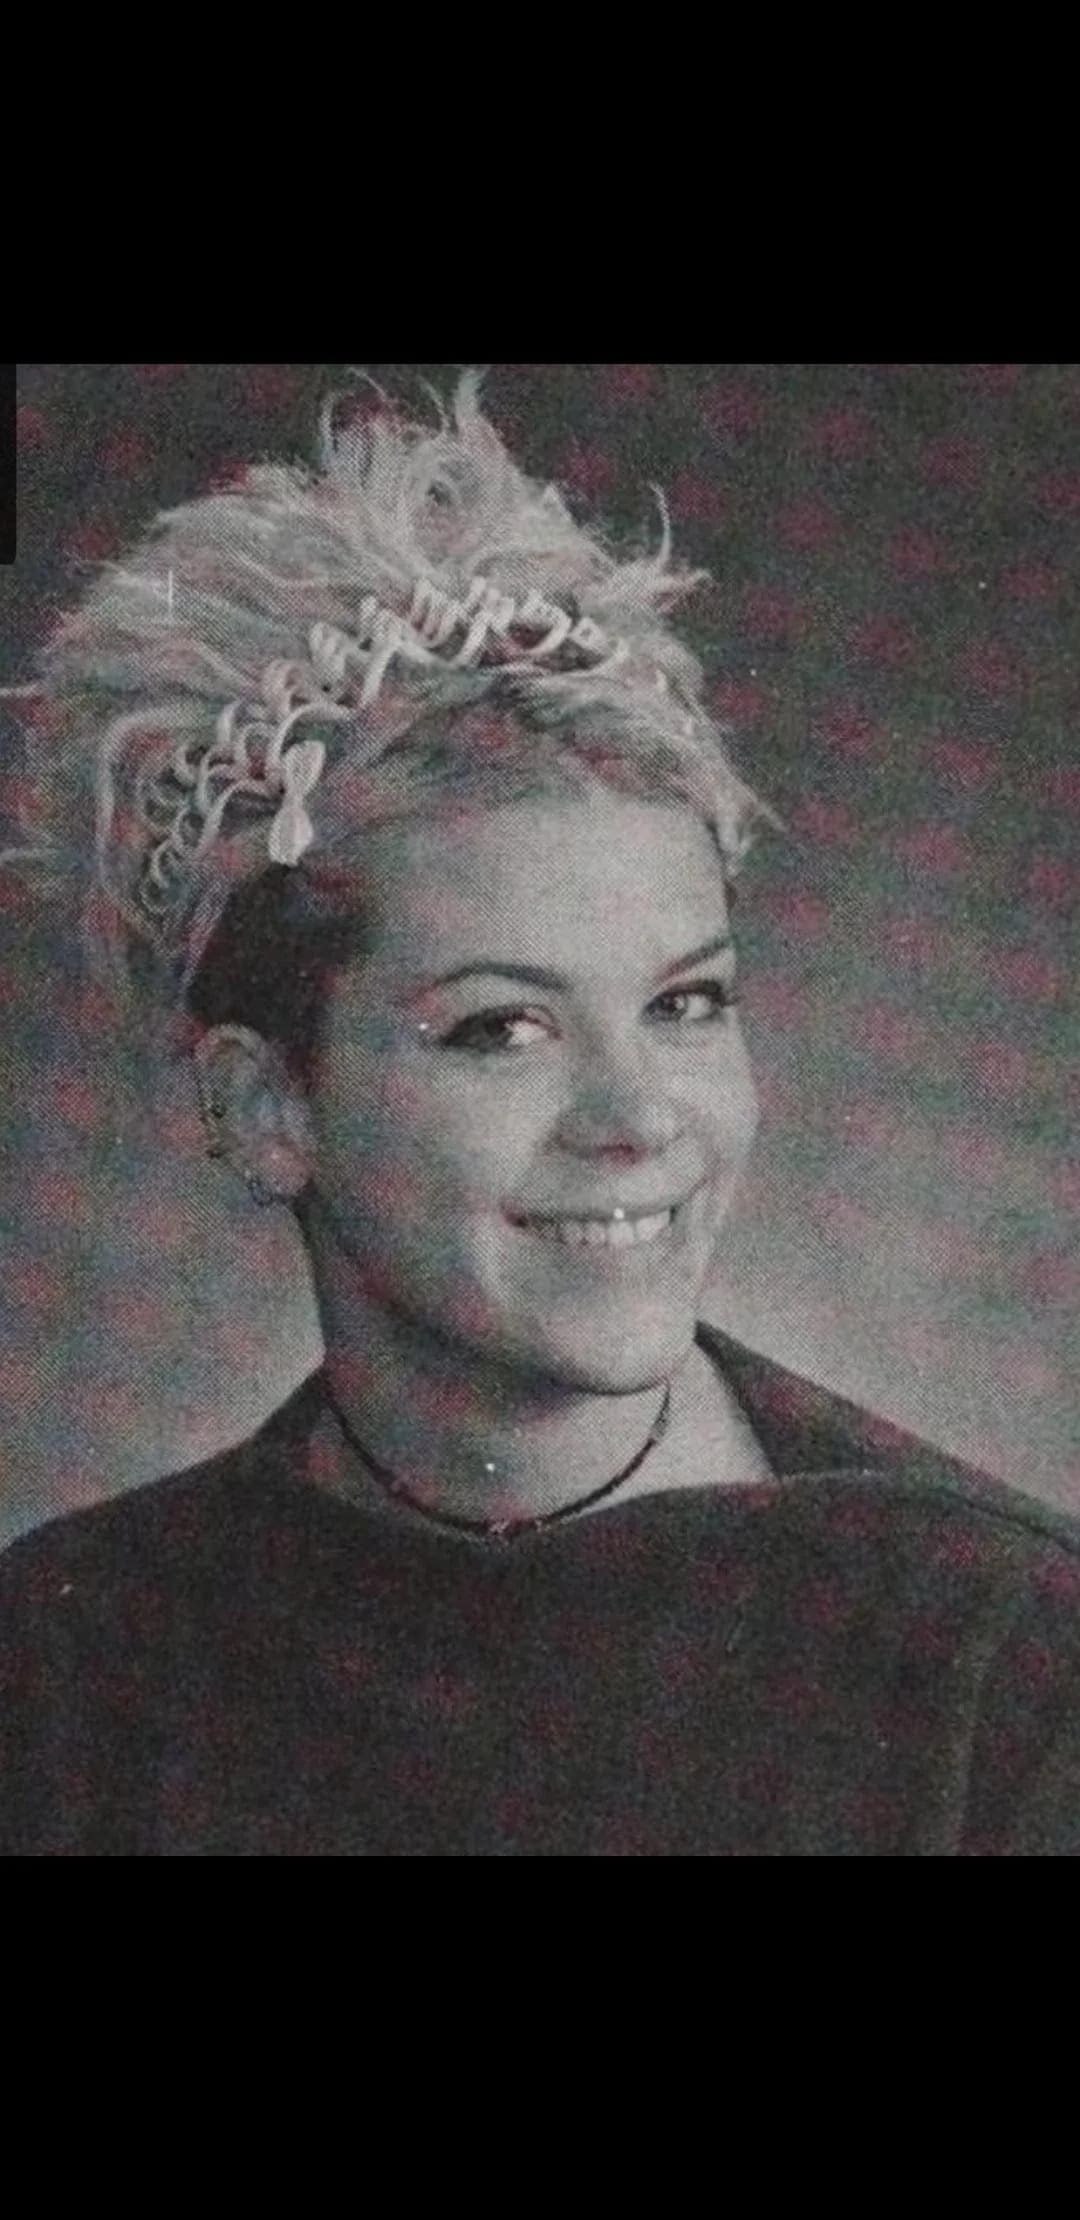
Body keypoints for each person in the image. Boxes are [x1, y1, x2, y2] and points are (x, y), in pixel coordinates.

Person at [1, 372, 1077, 1857]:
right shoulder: (67, 1668)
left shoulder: (1006, 1667)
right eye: (502, 1028)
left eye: (687, 1002)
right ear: (263, 1106)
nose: (639, 1118)